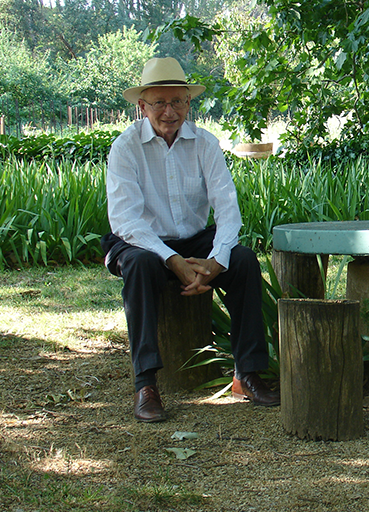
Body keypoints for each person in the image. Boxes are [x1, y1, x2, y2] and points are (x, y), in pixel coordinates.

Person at [101, 57, 279, 423]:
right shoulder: (126, 147)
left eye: (178, 101)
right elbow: (125, 219)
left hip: (196, 242)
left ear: (188, 102)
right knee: (139, 264)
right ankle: (146, 383)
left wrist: (215, 261)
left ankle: (247, 373)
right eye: (159, 103)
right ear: (142, 106)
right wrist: (172, 260)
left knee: (243, 261)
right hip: (141, 243)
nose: (170, 111)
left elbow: (228, 209)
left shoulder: (205, 144)